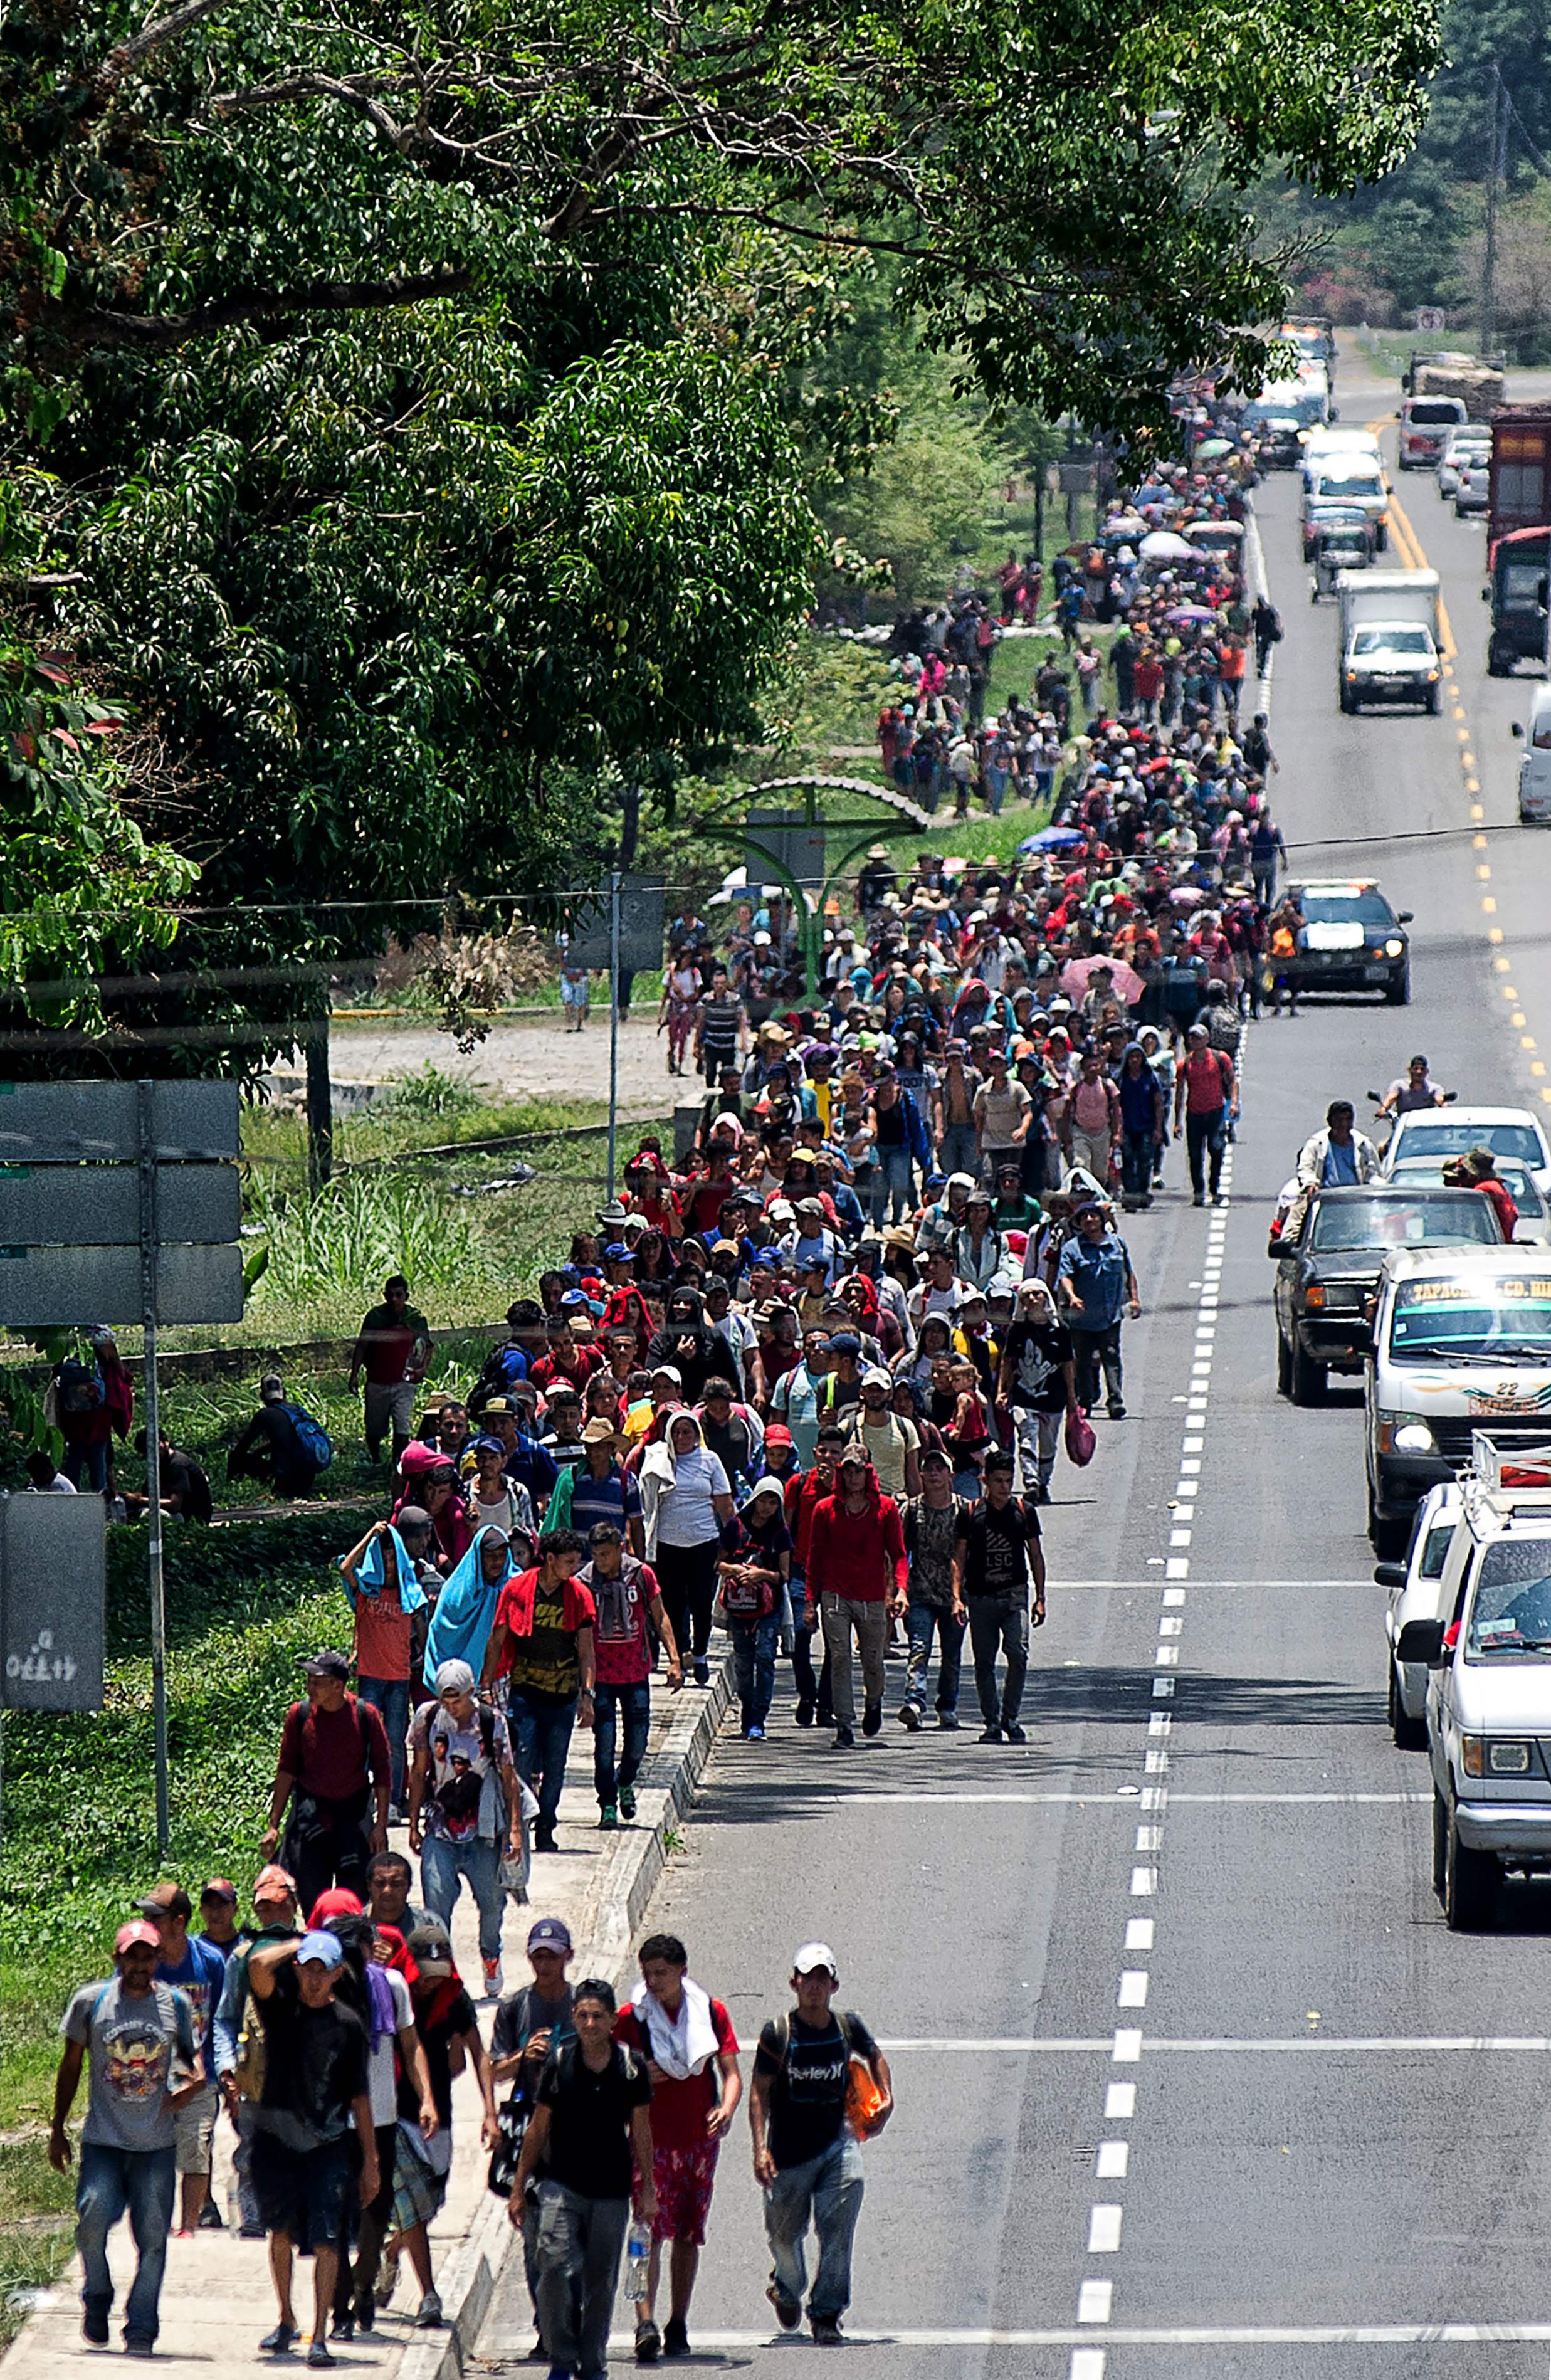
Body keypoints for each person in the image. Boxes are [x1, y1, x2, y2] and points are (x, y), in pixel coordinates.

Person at [51, 1920, 201, 2356]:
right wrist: (58, 2128)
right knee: (92, 2220)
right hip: (104, 2140)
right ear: (117, 1959)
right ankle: (97, 2296)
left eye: (148, 1956)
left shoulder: (175, 2004)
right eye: (131, 1956)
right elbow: (71, 2066)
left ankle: (142, 2327)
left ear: (159, 1959)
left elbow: (191, 2064)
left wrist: (190, 2086)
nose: (140, 1965)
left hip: (155, 2144)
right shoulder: (92, 2002)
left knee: (153, 2238)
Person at [511, 1975, 656, 2380]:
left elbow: (641, 2132)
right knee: (553, 2266)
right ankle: (561, 2355)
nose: (590, 2024)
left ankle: (592, 2363)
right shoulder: (560, 2063)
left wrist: (648, 2189)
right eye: (583, 2015)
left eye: (598, 2016)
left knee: (599, 2283)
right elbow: (538, 2129)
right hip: (562, 2186)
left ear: (612, 2021)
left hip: (611, 2191)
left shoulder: (631, 2068)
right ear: (574, 2018)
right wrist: (519, 2187)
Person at [749, 1944, 893, 2348]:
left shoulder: (847, 2027)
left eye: (822, 1979)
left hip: (837, 2146)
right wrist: (760, 2148)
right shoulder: (779, 2033)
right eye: (807, 1979)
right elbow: (759, 2093)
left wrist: (886, 2094)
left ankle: (827, 2313)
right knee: (784, 2239)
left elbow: (875, 2055)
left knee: (839, 2228)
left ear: (834, 1985)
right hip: (788, 2156)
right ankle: (786, 2287)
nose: (814, 1987)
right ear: (794, 1983)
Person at [246, 1928, 377, 2369]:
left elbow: (360, 2095)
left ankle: (318, 2335)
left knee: (327, 2239)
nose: (315, 1979)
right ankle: (286, 2318)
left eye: (324, 1970)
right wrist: (300, 1943)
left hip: (329, 2144)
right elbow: (258, 1967)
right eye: (309, 1969)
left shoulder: (349, 2025)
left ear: (338, 1974)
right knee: (279, 2232)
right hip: (278, 2140)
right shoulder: (281, 2009)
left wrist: (371, 2162)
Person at [614, 1935, 741, 2364]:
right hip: (650, 2143)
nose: (653, 1982)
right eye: (647, 1973)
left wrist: (725, 2108)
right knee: (645, 2231)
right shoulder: (631, 2020)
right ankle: (643, 2321)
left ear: (682, 1971)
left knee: (688, 2233)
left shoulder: (710, 2012)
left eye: (662, 1974)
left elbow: (730, 2072)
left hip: (698, 2143)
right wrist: (634, 2074)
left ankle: (678, 2322)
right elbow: (609, 2069)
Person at [382, 1924, 498, 2332]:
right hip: (393, 2111)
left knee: (426, 2207)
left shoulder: (455, 1998)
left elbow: (478, 2053)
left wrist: (490, 2111)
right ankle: (429, 2294)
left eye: (438, 1971)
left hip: (439, 2118)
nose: (431, 1981)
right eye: (425, 1972)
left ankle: (392, 2250)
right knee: (412, 2204)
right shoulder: (391, 1991)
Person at [407, 1657, 530, 2000]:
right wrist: (414, 1823)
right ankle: (443, 1972)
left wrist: (515, 1830)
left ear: (471, 1692)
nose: (451, 1706)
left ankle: (491, 1955)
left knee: (491, 1903)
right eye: (445, 1698)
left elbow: (508, 1777)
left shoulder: (491, 1722)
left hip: (483, 1831)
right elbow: (419, 1770)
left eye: (457, 1698)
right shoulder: (428, 1718)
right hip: (440, 1826)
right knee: (436, 1903)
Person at [491, 1919, 577, 2364]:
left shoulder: (586, 2005)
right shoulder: (513, 2009)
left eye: (553, 1955)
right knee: (533, 2240)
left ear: (569, 1957)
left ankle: (572, 2319)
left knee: (576, 2235)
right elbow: (494, 2071)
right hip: (529, 2130)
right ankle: (547, 2325)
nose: (545, 1964)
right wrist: (524, 2058)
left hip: (578, 2127)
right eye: (538, 1955)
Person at [481, 1529, 597, 1856]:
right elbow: (497, 1638)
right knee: (523, 1756)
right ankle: (518, 1821)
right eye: (569, 1561)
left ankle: (547, 1824)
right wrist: (487, 1684)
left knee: (556, 1763)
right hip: (525, 1690)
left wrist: (587, 1695)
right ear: (549, 1559)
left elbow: (586, 1651)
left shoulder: (579, 1596)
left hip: (563, 1694)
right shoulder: (517, 1590)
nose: (575, 1568)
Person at [262, 1650, 392, 1915]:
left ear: (338, 1685)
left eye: (318, 1682)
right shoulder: (300, 1715)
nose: (310, 1688)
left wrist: (379, 1826)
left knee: (354, 1904)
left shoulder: (366, 1716)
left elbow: (383, 1773)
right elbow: (286, 1770)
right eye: (309, 1681)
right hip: (311, 1821)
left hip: (353, 1820)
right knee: (311, 1903)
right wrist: (273, 1825)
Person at [135, 1881, 228, 2235]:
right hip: (150, 2075)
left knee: (195, 2147)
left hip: (198, 2077)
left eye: (154, 1918)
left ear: (179, 1921)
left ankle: (189, 2227)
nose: (147, 1924)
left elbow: (221, 2016)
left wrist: (220, 2070)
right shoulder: (141, 1962)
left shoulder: (209, 1961)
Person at [214, 1864, 301, 2241]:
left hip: (301, 2073)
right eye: (265, 1909)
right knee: (251, 2150)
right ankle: (252, 2218)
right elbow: (225, 2018)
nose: (273, 1915)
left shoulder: (311, 1948)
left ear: (294, 1905)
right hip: (255, 2074)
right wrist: (226, 2067)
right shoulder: (242, 1957)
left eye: (279, 1907)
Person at [583, 1521, 681, 1826]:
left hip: (636, 1671)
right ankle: (607, 1803)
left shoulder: (640, 1575)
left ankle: (625, 1781)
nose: (602, 1562)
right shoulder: (585, 1582)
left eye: (607, 1555)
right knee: (604, 1744)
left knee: (638, 1740)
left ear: (620, 1550)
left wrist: (674, 1659)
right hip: (600, 1676)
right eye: (597, 1555)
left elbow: (660, 1616)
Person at [806, 1451, 907, 1751]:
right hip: (836, 1595)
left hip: (873, 1596)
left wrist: (900, 1590)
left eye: (858, 1472)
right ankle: (844, 1725)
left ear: (868, 1474)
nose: (853, 1478)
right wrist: (810, 1602)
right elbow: (815, 1558)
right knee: (839, 1658)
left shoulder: (886, 1509)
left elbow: (899, 1554)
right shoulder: (825, 1510)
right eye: (847, 1472)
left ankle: (874, 1701)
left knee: (873, 1661)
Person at [339, 1509, 435, 1819]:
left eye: (395, 1559)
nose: (391, 1566)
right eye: (385, 1559)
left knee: (395, 1742)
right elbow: (345, 1567)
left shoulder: (410, 1594)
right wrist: (371, 1535)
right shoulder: (366, 1593)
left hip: (399, 1678)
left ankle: (391, 1802)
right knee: (365, 1741)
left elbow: (421, 1628)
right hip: (370, 1677)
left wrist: (418, 1655)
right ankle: (364, 1799)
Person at [639, 1409, 735, 1688]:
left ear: (697, 1435)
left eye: (687, 1432)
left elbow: (725, 1505)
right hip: (667, 1544)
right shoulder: (658, 1459)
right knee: (672, 1603)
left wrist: (732, 1544)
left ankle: (701, 1653)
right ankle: (678, 1656)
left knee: (702, 1601)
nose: (682, 1438)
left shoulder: (710, 1461)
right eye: (677, 1432)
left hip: (703, 1542)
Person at [955, 1450, 1046, 1743]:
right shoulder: (971, 1514)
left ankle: (1011, 1717)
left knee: (1018, 1654)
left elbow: (1035, 1554)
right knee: (984, 1662)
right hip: (981, 1598)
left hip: (1014, 1596)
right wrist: (957, 1596)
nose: (1004, 1487)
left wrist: (1040, 1597)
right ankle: (992, 1722)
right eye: (998, 1481)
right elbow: (958, 1557)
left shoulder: (1024, 1512)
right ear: (985, 1480)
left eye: (1008, 1480)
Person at [898, 1448, 969, 1730]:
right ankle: (915, 1702)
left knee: (952, 1653)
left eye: (940, 1469)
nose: (934, 1474)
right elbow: (899, 1553)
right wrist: (898, 1591)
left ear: (950, 1475)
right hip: (919, 1592)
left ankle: (948, 1705)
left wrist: (961, 1595)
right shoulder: (911, 1509)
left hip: (954, 1596)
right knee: (919, 1648)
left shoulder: (964, 1509)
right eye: (929, 1469)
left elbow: (968, 1554)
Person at [717, 1479, 790, 1741]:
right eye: (763, 1500)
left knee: (766, 1658)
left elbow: (783, 1576)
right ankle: (747, 1711)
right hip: (740, 1609)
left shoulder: (780, 1533)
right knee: (744, 1663)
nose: (767, 1507)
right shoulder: (736, 1527)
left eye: (773, 1502)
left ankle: (760, 1718)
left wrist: (762, 1575)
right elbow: (719, 1564)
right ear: (754, 1499)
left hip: (769, 1608)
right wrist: (736, 1570)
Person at [996, 1278, 1078, 1502]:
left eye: (1037, 1294)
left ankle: (1043, 1482)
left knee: (1048, 1443)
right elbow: (1008, 1361)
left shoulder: (1060, 1330)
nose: (1032, 1299)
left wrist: (1072, 1398)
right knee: (1026, 1435)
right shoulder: (1017, 1330)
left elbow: (1067, 1365)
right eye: (1027, 1295)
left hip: (1053, 1398)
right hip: (1024, 1396)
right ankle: (1030, 1482)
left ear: (1045, 1298)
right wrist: (1002, 1391)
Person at [1056, 1203, 1140, 1420]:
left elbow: (1128, 1272)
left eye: (1093, 1216)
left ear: (1102, 1220)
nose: (1089, 1220)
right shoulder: (1072, 1248)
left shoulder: (1117, 1244)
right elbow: (1065, 1276)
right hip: (1082, 1318)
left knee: (1111, 1356)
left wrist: (1134, 1299)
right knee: (1082, 1361)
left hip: (1110, 1314)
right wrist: (1073, 1297)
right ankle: (1085, 1401)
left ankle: (1116, 1400)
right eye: (1084, 1218)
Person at [348, 1275, 431, 1465]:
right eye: (390, 1295)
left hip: (404, 1382)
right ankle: (376, 1458)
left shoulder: (416, 1319)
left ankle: (397, 1464)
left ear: (406, 1296)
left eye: (398, 1295)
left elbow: (427, 1346)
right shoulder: (375, 1317)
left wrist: (422, 1370)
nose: (394, 1299)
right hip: (378, 1381)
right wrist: (354, 1375)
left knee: (402, 1425)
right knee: (374, 1427)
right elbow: (362, 1346)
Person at [229, 1375, 332, 1497]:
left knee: (236, 1457)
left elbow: (242, 1448)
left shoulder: (265, 1415)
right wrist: (258, 1452)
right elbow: (286, 1441)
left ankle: (233, 1491)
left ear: (262, 1396)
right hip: (307, 1478)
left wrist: (250, 1455)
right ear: (285, 1393)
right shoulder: (297, 1410)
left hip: (284, 1477)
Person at [1174, 1021, 1236, 1206]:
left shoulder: (1220, 1058)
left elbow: (1232, 1081)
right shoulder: (1184, 1065)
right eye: (1193, 1038)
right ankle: (1198, 1190)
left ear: (1207, 1039)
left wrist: (1233, 1103)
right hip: (1194, 1113)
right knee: (1195, 1154)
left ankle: (1215, 1188)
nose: (1196, 1041)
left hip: (1215, 1111)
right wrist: (1177, 1121)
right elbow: (1179, 1092)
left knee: (1216, 1150)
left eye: (1199, 1038)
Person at [127, 1428, 213, 1522]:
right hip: (176, 1513)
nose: (154, 1452)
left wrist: (140, 1501)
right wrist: (130, 1497)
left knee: (148, 1514)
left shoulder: (178, 1465)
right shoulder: (160, 1465)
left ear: (166, 1442)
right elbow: (148, 1495)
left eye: (157, 1445)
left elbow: (175, 1505)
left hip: (191, 1517)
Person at [1379, 1055, 1448, 1117]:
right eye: (1416, 1069)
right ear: (1410, 1070)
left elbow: (1440, 1100)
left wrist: (1444, 1106)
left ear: (1427, 1072)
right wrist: (1383, 1109)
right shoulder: (1400, 1086)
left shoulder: (1434, 1089)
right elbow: (1391, 1098)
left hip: (1426, 1124)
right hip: (1404, 1123)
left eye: (1422, 1069)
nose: (1419, 1072)